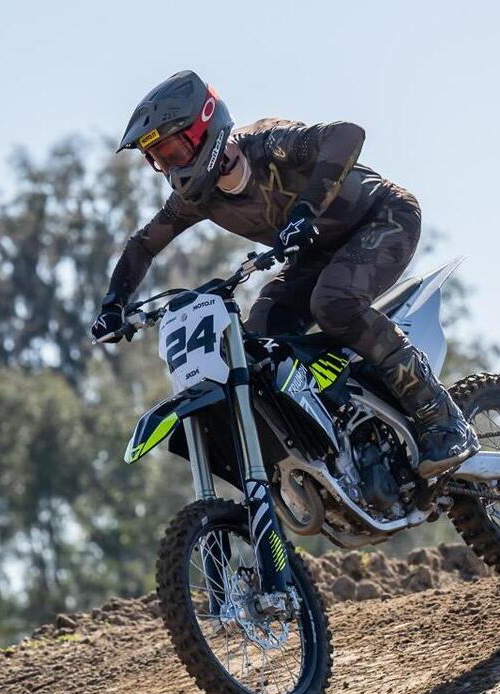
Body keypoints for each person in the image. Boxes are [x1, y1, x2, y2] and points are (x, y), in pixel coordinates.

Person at [92, 70, 478, 477]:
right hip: (316, 253)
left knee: (334, 303)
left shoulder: (267, 144)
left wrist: (304, 211)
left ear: (204, 127)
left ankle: (441, 416)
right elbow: (143, 245)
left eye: (172, 152)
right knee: (259, 340)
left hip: (383, 217)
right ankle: (342, 430)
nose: (170, 168)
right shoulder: (196, 199)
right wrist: (113, 305)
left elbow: (347, 135)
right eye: (159, 160)